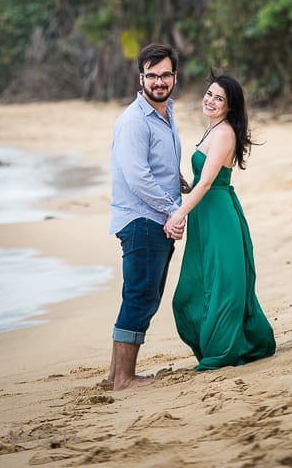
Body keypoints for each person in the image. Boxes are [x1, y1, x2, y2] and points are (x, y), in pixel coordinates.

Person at [165, 72, 276, 370]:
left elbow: (208, 185)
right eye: (209, 94)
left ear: (230, 106)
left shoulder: (225, 132)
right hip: (207, 214)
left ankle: (225, 349)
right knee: (195, 285)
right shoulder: (213, 130)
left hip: (219, 217)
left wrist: (178, 214)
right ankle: (217, 344)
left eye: (219, 98)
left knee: (224, 284)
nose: (210, 101)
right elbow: (203, 181)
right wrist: (183, 185)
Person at [108, 42, 185, 391]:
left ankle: (114, 376)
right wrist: (173, 210)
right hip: (143, 221)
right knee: (141, 296)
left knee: (141, 295)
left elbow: (158, 166)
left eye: (164, 74)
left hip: (154, 218)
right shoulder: (135, 121)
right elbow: (138, 176)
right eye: (151, 75)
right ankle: (125, 378)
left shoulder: (167, 114)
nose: (158, 81)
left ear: (174, 76)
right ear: (141, 78)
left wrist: (179, 182)